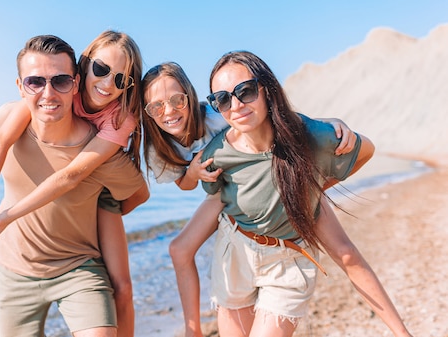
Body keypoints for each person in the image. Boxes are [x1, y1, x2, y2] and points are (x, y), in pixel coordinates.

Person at [199, 50, 412, 336]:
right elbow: (212, 193)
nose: (235, 105)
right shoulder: (217, 155)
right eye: (222, 99)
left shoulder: (313, 135)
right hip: (235, 255)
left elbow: (367, 150)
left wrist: (311, 188)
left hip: (288, 260)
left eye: (245, 91)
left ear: (267, 89)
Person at [140, 62, 355, 337]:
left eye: (176, 100)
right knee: (179, 249)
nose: (168, 111)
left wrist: (331, 124)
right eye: (156, 107)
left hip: (248, 179)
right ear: (148, 113)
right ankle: (192, 330)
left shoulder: (216, 118)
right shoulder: (157, 149)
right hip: (220, 190)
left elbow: (275, 122)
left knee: (344, 250)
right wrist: (193, 172)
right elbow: (183, 183)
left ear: (190, 96)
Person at [0, 30, 145, 337]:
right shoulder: (16, 118)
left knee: (122, 289)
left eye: (60, 81)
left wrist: (97, 209)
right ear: (21, 86)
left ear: (74, 82)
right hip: (17, 271)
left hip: (77, 265)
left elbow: (89, 180)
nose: (48, 92)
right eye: (35, 82)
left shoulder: (113, 132)